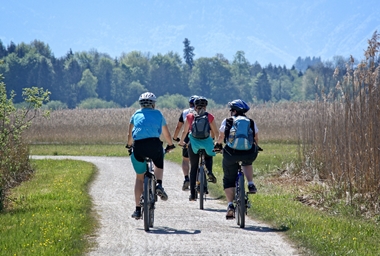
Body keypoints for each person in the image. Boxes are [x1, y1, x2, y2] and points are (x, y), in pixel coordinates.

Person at [126, 92, 175, 219]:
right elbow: (167, 135)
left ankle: (137, 209)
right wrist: (170, 145)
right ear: (153, 104)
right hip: (154, 145)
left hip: (139, 147)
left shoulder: (135, 115)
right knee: (158, 162)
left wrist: (129, 145)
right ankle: (158, 184)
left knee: (139, 178)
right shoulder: (158, 114)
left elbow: (130, 136)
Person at [214, 99, 259, 218]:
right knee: (247, 163)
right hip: (248, 152)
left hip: (231, 154)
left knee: (228, 179)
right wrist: (255, 148)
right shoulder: (250, 121)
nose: (230, 112)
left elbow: (221, 136)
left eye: (231, 110)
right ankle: (250, 183)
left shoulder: (228, 121)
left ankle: (230, 205)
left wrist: (218, 145)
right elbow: (255, 138)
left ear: (234, 111)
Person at [178, 96, 219, 201]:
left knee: (194, 169)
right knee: (209, 156)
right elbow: (215, 132)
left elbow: (185, 131)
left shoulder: (190, 116)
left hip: (194, 144)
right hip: (206, 143)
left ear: (194, 106)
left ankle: (192, 194)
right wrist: (216, 142)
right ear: (205, 107)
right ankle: (209, 171)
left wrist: (182, 141)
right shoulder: (209, 116)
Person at [172, 95, 198, 191]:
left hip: (187, 137)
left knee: (185, 159)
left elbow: (178, 127)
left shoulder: (185, 112)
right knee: (198, 158)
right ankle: (199, 180)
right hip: (200, 138)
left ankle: (186, 178)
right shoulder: (203, 112)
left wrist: (175, 137)